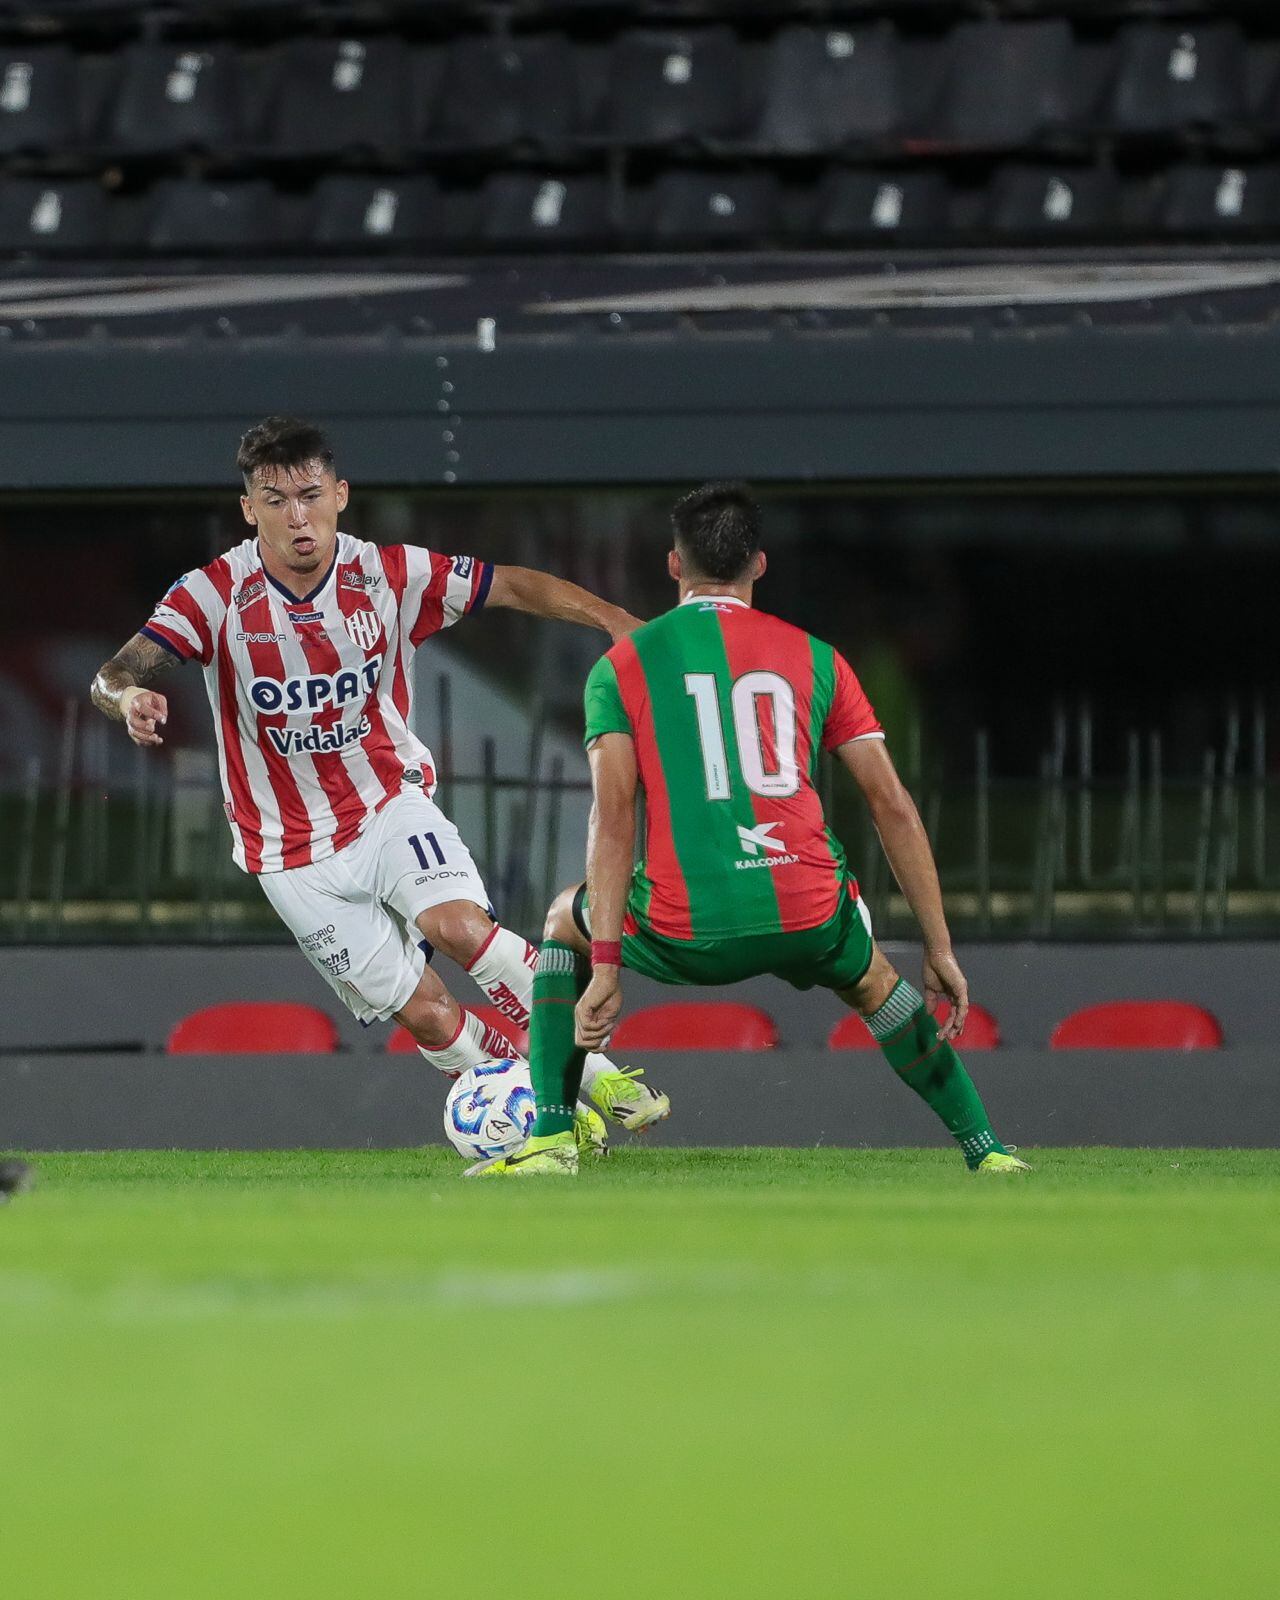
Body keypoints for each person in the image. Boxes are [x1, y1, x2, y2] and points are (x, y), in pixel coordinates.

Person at [89, 415, 670, 1149]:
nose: (297, 518)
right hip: (285, 852)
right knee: (426, 1015)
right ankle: (545, 1105)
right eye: (275, 501)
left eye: (310, 496)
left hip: (386, 805)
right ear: (249, 509)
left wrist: (612, 618)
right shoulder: (215, 594)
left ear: (340, 495)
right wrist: (127, 700)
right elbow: (115, 671)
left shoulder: (389, 574)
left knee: (458, 928)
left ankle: (602, 1075)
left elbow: (511, 585)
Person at [474, 481, 1027, 1177]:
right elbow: (891, 804)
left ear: (674, 564)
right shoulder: (819, 657)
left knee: (563, 918)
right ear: (759, 564)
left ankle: (552, 1141)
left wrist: (607, 967)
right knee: (876, 983)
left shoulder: (622, 666)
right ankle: (987, 1149)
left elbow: (613, 819)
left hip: (686, 924)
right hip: (807, 911)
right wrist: (938, 944)